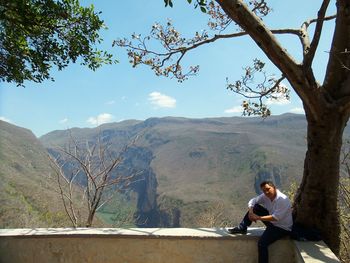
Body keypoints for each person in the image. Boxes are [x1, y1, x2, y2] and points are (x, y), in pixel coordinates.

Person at [228, 181, 293, 263]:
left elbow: (276, 217)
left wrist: (258, 217)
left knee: (262, 243)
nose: (266, 192)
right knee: (255, 207)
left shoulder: (282, 199)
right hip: (272, 223)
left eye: (268, 189)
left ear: (274, 188)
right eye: (264, 190)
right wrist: (251, 212)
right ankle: (242, 227)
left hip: (281, 227)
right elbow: (253, 201)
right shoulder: (266, 196)